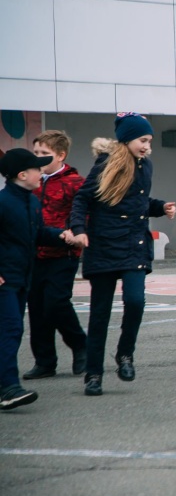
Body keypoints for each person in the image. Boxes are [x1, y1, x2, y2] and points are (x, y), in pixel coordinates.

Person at [68, 113, 176, 397]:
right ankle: (93, 374)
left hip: (134, 245)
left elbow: (139, 202)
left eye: (149, 141)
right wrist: (78, 229)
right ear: (127, 139)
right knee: (100, 314)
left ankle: (125, 354)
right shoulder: (106, 164)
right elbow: (83, 198)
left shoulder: (146, 165)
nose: (147, 146)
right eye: (143, 140)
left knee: (136, 301)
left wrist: (160, 207)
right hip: (104, 246)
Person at [0, 149, 67, 410]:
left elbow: (37, 234)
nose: (41, 172)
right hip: (5, 279)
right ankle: (8, 388)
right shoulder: (4, 202)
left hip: (22, 278)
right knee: (10, 329)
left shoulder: (31, 201)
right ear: (22, 175)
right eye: (37, 169)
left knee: (12, 330)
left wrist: (62, 236)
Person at [23, 131, 88, 380]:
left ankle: (80, 345)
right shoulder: (32, 181)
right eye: (36, 152)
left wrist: (76, 233)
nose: (38, 157)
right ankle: (45, 361)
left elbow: (84, 212)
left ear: (61, 155)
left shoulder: (74, 182)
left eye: (44, 153)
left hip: (63, 253)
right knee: (37, 307)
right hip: (34, 253)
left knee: (56, 302)